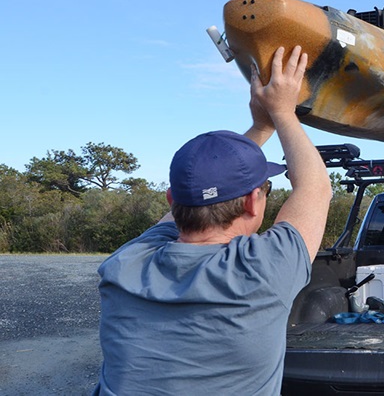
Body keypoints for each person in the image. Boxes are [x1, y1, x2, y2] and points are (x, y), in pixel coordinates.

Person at [93, 46, 332, 395]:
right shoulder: (263, 271)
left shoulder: (123, 266)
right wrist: (280, 112)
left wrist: (264, 124)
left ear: (172, 202)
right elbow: (315, 187)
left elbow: (313, 188)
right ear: (254, 202)